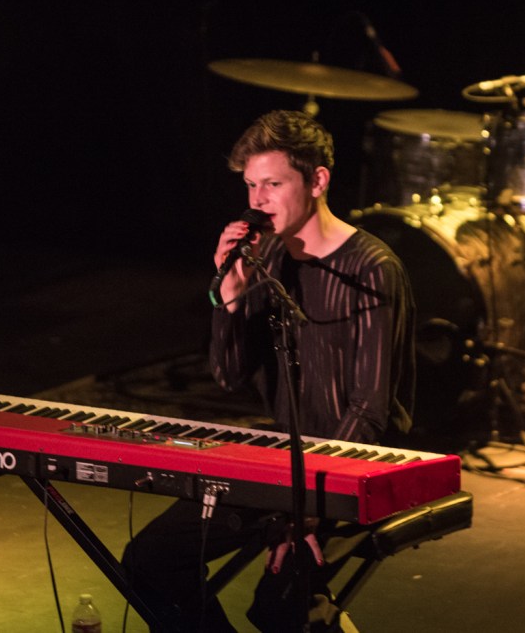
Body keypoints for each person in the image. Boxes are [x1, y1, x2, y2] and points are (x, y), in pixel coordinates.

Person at [121, 109, 416, 632]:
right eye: (252, 185)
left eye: (273, 184)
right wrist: (230, 299)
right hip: (282, 464)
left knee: (283, 606)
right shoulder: (268, 257)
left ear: (318, 180)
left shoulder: (373, 268)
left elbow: (370, 409)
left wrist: (306, 510)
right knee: (151, 561)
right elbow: (230, 377)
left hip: (351, 470)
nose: (257, 201)